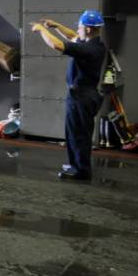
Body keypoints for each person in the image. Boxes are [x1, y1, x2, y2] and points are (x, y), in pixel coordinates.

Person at [30, 10, 107, 180]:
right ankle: (75, 165)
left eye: (80, 26)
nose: (77, 29)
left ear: (87, 29)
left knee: (79, 134)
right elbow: (72, 36)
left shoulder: (89, 49)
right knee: (74, 133)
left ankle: (81, 171)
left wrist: (42, 29)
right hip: (82, 95)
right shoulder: (93, 44)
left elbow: (58, 45)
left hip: (82, 97)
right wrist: (56, 25)